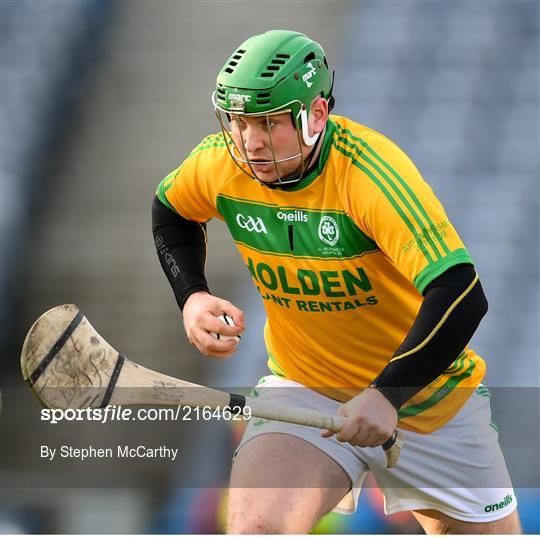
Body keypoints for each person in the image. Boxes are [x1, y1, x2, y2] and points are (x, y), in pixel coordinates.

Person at [152, 30, 520, 534]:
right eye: (238, 122)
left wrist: (388, 394)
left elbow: (461, 292)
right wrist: (191, 294)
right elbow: (170, 210)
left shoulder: (369, 174)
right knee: (258, 528)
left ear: (316, 116)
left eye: (268, 123)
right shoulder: (220, 162)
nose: (249, 141)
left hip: (429, 403)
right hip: (307, 388)